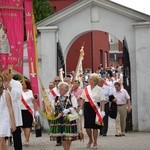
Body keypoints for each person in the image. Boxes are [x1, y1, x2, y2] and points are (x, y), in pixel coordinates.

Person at [49, 82, 79, 150]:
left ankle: (67, 148)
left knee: (68, 136)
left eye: (61, 89)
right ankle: (65, 148)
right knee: (62, 135)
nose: (60, 90)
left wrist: (67, 110)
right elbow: (52, 107)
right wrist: (52, 112)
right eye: (59, 89)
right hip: (58, 118)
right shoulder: (56, 97)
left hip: (68, 118)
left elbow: (75, 106)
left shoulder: (71, 96)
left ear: (66, 89)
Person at [80, 73, 105, 149]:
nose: (89, 80)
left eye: (90, 79)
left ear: (95, 81)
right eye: (89, 79)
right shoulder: (86, 88)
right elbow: (83, 99)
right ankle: (90, 139)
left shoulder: (99, 89)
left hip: (95, 108)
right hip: (87, 107)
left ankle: (95, 142)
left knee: (95, 126)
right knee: (87, 126)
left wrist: (102, 110)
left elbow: (102, 100)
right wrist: (81, 108)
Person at [3, 68, 23, 150]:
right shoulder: (1, 82)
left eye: (7, 74)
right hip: (3, 110)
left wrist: (9, 87)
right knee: (3, 132)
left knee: (16, 132)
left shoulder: (17, 83)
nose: (6, 75)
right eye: (5, 73)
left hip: (14, 109)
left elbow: (17, 95)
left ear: (11, 74)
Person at [0, 74, 16, 150]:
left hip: (4, 120)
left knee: (0, 140)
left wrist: (13, 123)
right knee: (2, 143)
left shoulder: (5, 93)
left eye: (0, 81)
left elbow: (10, 109)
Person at [20, 79, 37, 145]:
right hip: (21, 110)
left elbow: (34, 102)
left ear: (27, 84)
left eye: (23, 83)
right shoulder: (19, 91)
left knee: (28, 126)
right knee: (24, 126)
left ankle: (27, 140)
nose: (22, 85)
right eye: (21, 83)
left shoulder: (30, 92)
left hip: (28, 111)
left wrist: (35, 112)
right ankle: (26, 138)